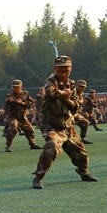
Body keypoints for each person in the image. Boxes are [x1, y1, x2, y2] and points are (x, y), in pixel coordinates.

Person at [31, 56, 97, 189]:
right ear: (54, 69)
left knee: (81, 153)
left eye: (66, 71)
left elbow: (75, 107)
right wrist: (62, 93)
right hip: (52, 125)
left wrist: (67, 99)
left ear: (71, 69)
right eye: (60, 71)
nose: (64, 74)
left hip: (67, 125)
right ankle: (38, 177)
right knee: (52, 146)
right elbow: (49, 92)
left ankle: (83, 172)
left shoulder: (71, 85)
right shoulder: (50, 82)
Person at [3, 80, 43, 152]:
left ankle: (33, 144)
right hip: (13, 116)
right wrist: (7, 117)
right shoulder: (9, 96)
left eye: (17, 87)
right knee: (13, 128)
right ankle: (8, 146)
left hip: (22, 116)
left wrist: (23, 103)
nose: (15, 89)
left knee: (30, 130)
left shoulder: (25, 94)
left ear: (21, 87)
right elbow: (6, 108)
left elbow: (32, 103)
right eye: (14, 87)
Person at [72, 80, 94, 144]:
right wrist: (81, 102)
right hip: (68, 113)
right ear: (77, 86)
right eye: (80, 86)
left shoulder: (80, 93)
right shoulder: (73, 92)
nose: (82, 88)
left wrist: (81, 103)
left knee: (85, 122)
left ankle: (82, 138)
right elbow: (76, 102)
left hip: (75, 113)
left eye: (83, 87)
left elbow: (80, 102)